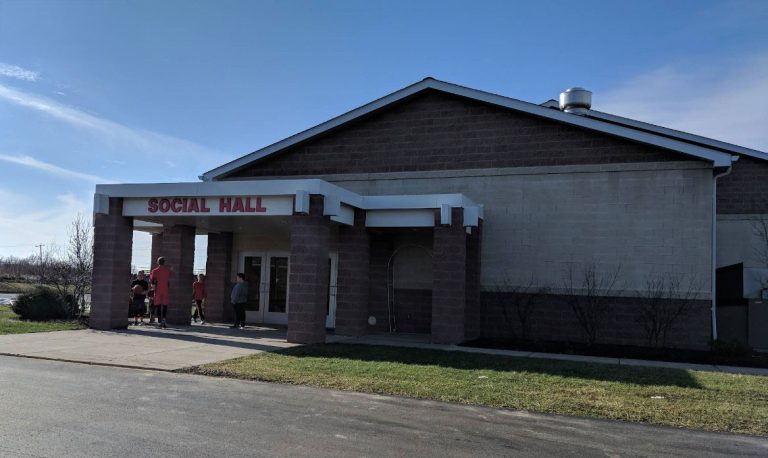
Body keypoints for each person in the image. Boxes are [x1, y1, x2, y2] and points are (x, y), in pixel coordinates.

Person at [150, 257, 172, 329]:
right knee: (165, 306)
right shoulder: (167, 270)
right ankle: (164, 321)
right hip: (165, 290)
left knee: (158, 306)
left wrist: (153, 288)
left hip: (158, 290)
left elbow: (152, 281)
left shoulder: (155, 271)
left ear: (157, 262)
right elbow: (171, 275)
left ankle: (159, 322)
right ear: (164, 262)